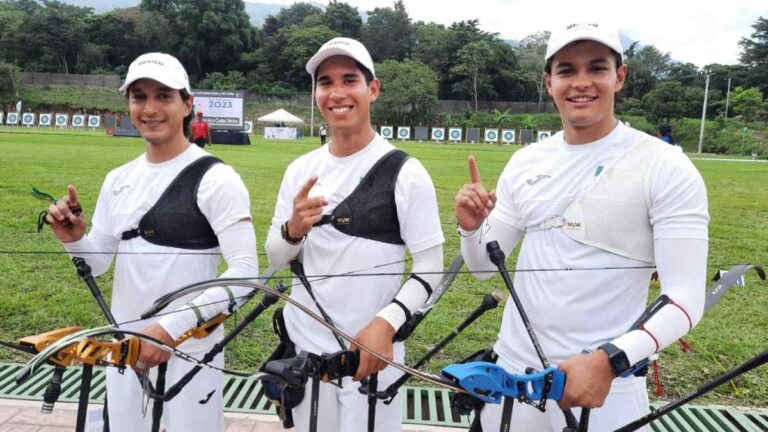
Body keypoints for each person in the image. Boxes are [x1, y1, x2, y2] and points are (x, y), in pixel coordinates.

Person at [454, 23, 709, 431]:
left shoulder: (665, 165)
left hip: (607, 389)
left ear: (619, 77)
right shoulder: (526, 162)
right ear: (549, 82)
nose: (582, 83)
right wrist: (470, 229)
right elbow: (484, 268)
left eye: (597, 68)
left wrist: (610, 359)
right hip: (515, 378)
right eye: (567, 70)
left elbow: (684, 299)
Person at [44, 52, 258, 432]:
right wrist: (75, 240)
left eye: (163, 95)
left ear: (187, 104)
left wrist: (170, 329)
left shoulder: (217, 178)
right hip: (126, 350)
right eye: (139, 96)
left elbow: (245, 276)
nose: (150, 108)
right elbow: (99, 262)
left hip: (191, 352)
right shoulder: (118, 179)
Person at [265, 37, 444, 432]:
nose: (337, 92)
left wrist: (385, 325)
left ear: (373, 89)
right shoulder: (300, 170)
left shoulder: (405, 171)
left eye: (350, 79)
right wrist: (293, 230)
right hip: (305, 354)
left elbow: (431, 265)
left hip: (373, 354)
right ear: (316, 93)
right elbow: (277, 257)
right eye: (325, 82)